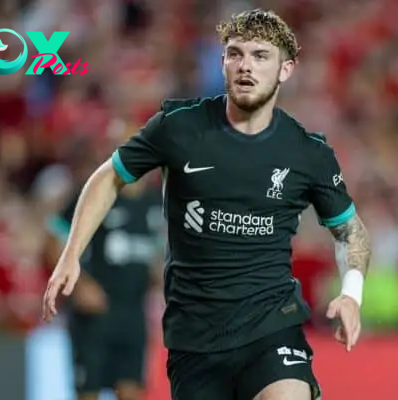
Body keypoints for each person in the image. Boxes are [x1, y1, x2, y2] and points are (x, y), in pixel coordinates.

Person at [43, 9, 372, 400]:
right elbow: (109, 176)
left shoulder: (307, 153)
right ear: (223, 63)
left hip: (271, 327)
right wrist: (71, 254)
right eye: (235, 54)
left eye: (260, 56)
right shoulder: (180, 127)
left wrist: (352, 293)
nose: (245, 66)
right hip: (195, 341)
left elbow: (350, 230)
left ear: (286, 69)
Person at [46, 178, 163, 400]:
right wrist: (81, 286)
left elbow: (154, 257)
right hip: (95, 316)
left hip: (133, 313)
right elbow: (53, 238)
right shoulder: (99, 190)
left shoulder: (154, 202)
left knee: (132, 391)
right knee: (89, 392)